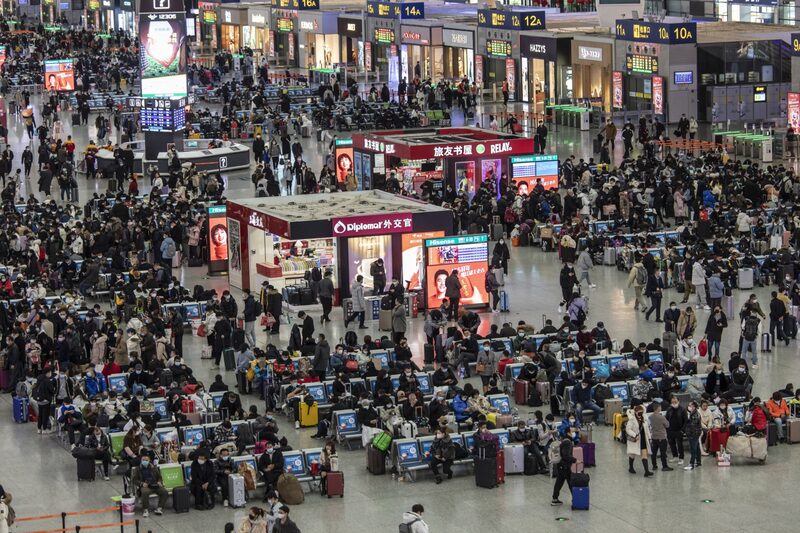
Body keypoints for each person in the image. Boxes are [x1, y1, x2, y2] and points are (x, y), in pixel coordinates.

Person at [131, 451, 168, 517]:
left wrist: (159, 482)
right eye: (143, 460)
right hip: (146, 485)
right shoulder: (138, 469)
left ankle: (159, 508)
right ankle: (145, 509)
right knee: (145, 492)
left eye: (146, 460)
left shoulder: (153, 467)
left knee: (164, 492)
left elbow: (159, 477)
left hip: (155, 484)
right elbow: (134, 480)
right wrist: (142, 484)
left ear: (149, 460)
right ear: (141, 460)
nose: (145, 461)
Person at [626, 405, 653, 477]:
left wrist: (650, 438)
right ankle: (631, 467)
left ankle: (646, 471)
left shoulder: (644, 419)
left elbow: (647, 430)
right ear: (635, 413)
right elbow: (628, 429)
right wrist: (635, 435)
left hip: (643, 439)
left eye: (641, 413)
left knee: (644, 455)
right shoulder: (631, 420)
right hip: (635, 440)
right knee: (632, 454)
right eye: (639, 413)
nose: (640, 415)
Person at [551, 437, 575, 506]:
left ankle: (555, 499)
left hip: (561, 466)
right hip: (565, 466)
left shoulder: (563, 441)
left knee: (559, 482)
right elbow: (565, 455)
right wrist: (575, 460)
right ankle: (576, 498)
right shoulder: (568, 443)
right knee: (570, 483)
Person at [684, 401, 703, 470]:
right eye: (689, 405)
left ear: (694, 407)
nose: (689, 407)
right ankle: (698, 462)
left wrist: (686, 421)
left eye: (691, 406)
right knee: (697, 447)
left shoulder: (695, 415)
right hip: (693, 433)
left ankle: (691, 463)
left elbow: (692, 424)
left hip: (693, 433)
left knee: (693, 448)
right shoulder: (691, 413)